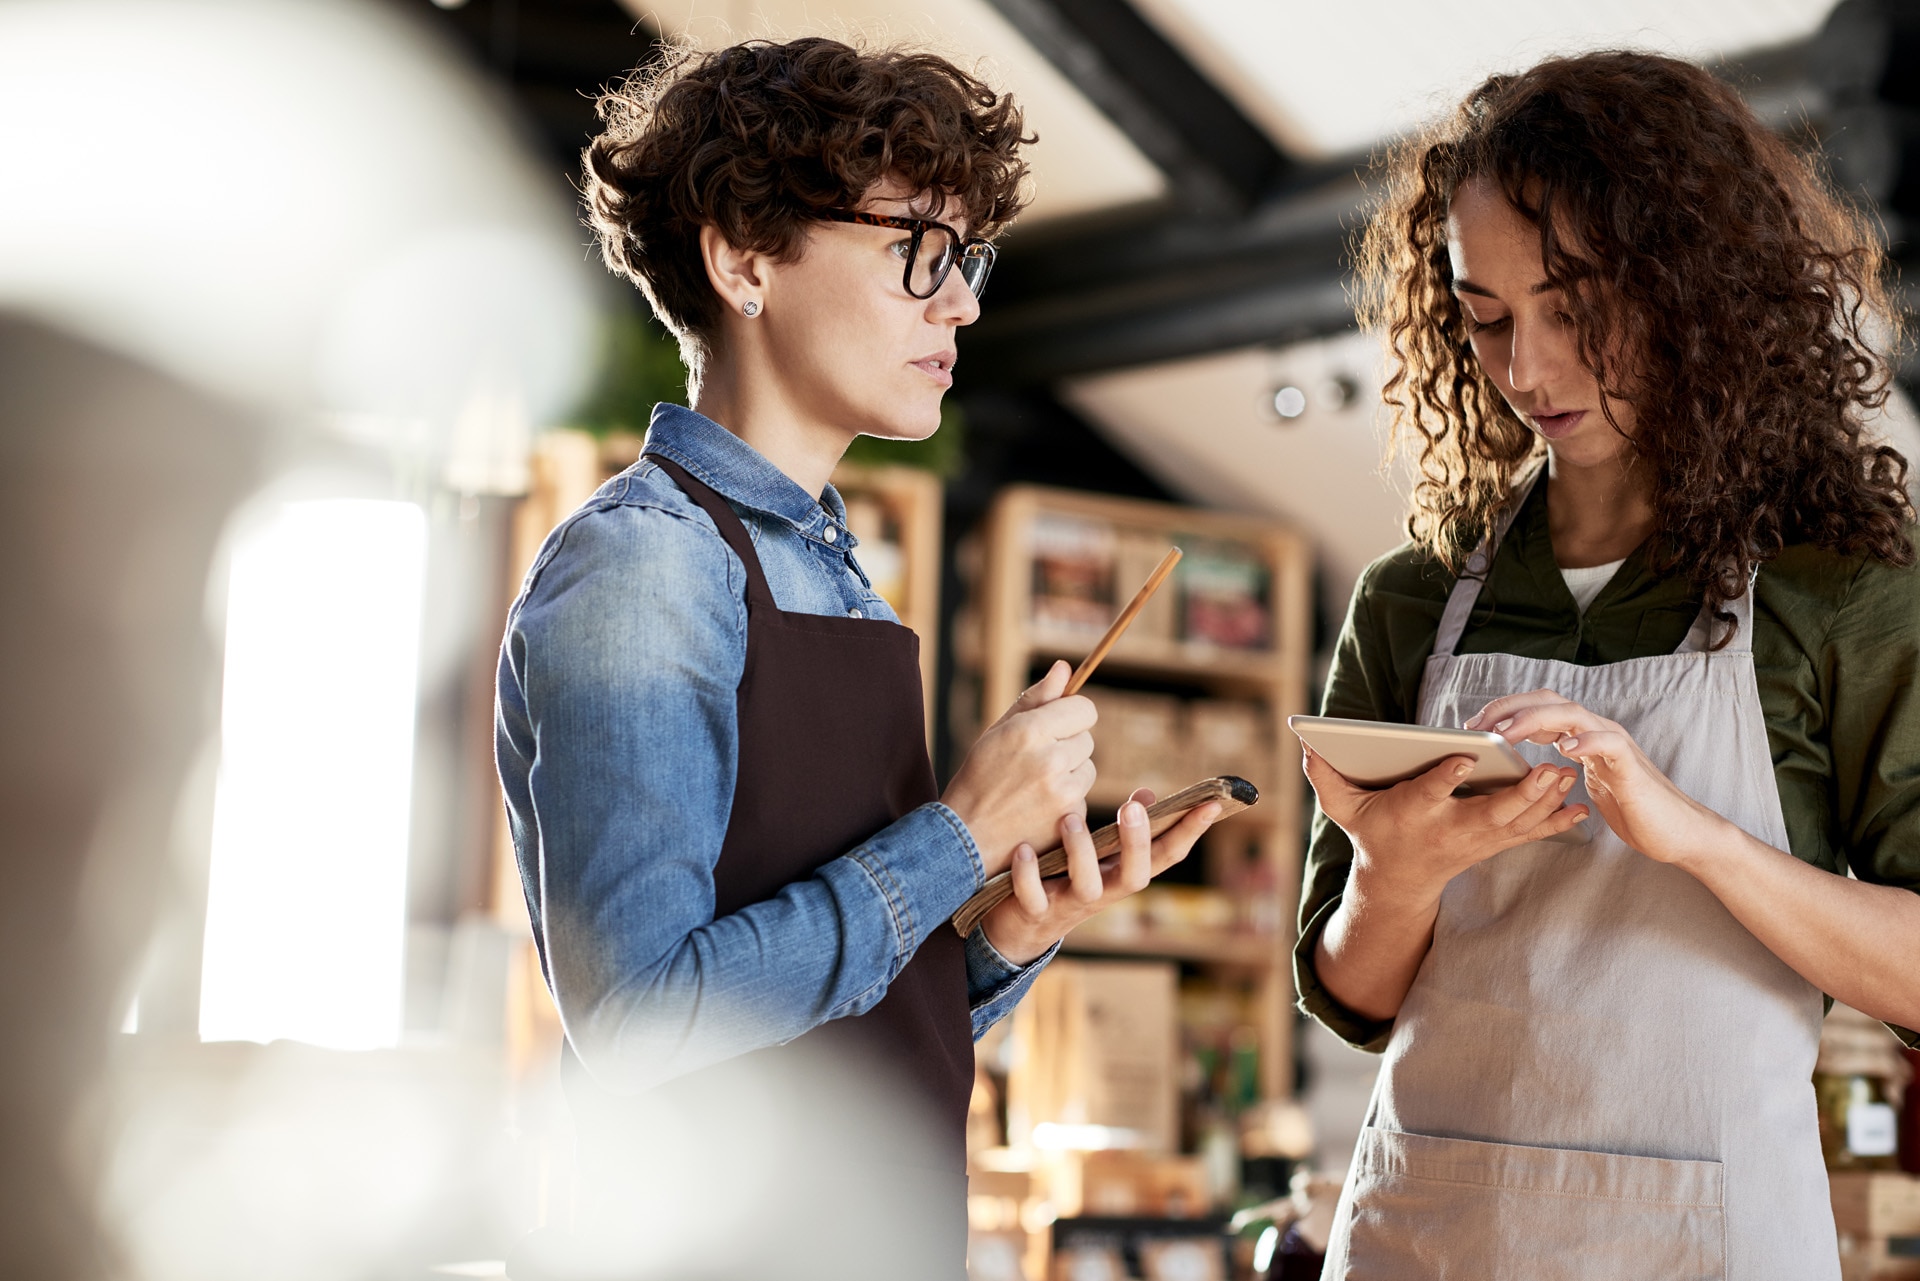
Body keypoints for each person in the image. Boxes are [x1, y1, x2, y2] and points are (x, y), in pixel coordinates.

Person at [494, 38, 1220, 1281]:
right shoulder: (645, 567)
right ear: (744, 259)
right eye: (916, 253)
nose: (964, 304)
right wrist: (956, 833)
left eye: (967, 259)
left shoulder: (836, 581)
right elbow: (641, 1025)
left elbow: (851, 1033)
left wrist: (1005, 932)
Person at [1297, 51, 1920, 1278]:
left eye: (1575, 309)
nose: (1527, 370)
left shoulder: (1837, 596)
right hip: (1429, 1231)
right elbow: (1353, 996)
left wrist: (1697, 841)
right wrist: (1394, 875)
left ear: (1696, 288)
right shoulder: (1411, 603)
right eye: (1486, 319)